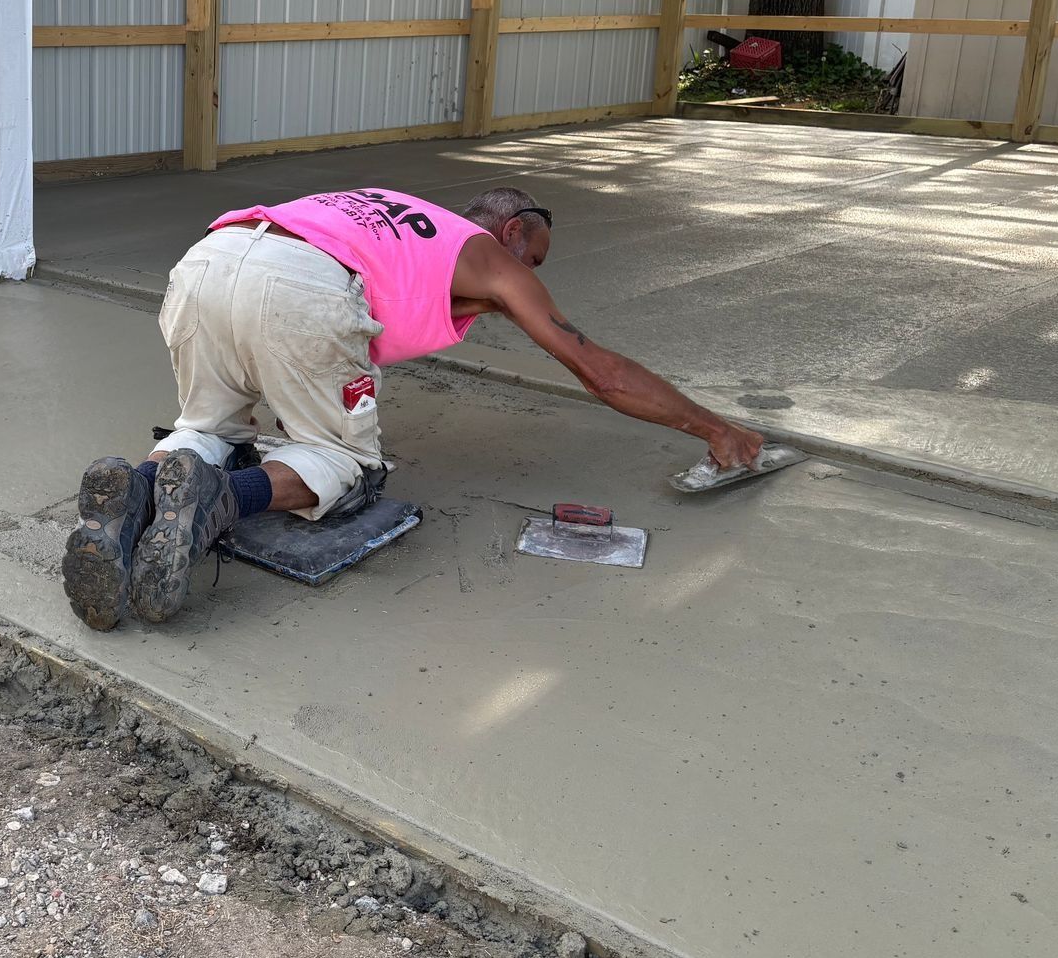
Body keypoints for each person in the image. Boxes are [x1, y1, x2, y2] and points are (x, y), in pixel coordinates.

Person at [61, 186, 765, 630]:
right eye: (534, 260)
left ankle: (134, 497)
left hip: (210, 259)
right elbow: (599, 370)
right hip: (303, 285)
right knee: (344, 461)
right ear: (511, 231)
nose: (529, 279)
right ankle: (218, 500)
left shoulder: (399, 217)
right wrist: (716, 429)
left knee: (206, 427)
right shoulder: (488, 258)